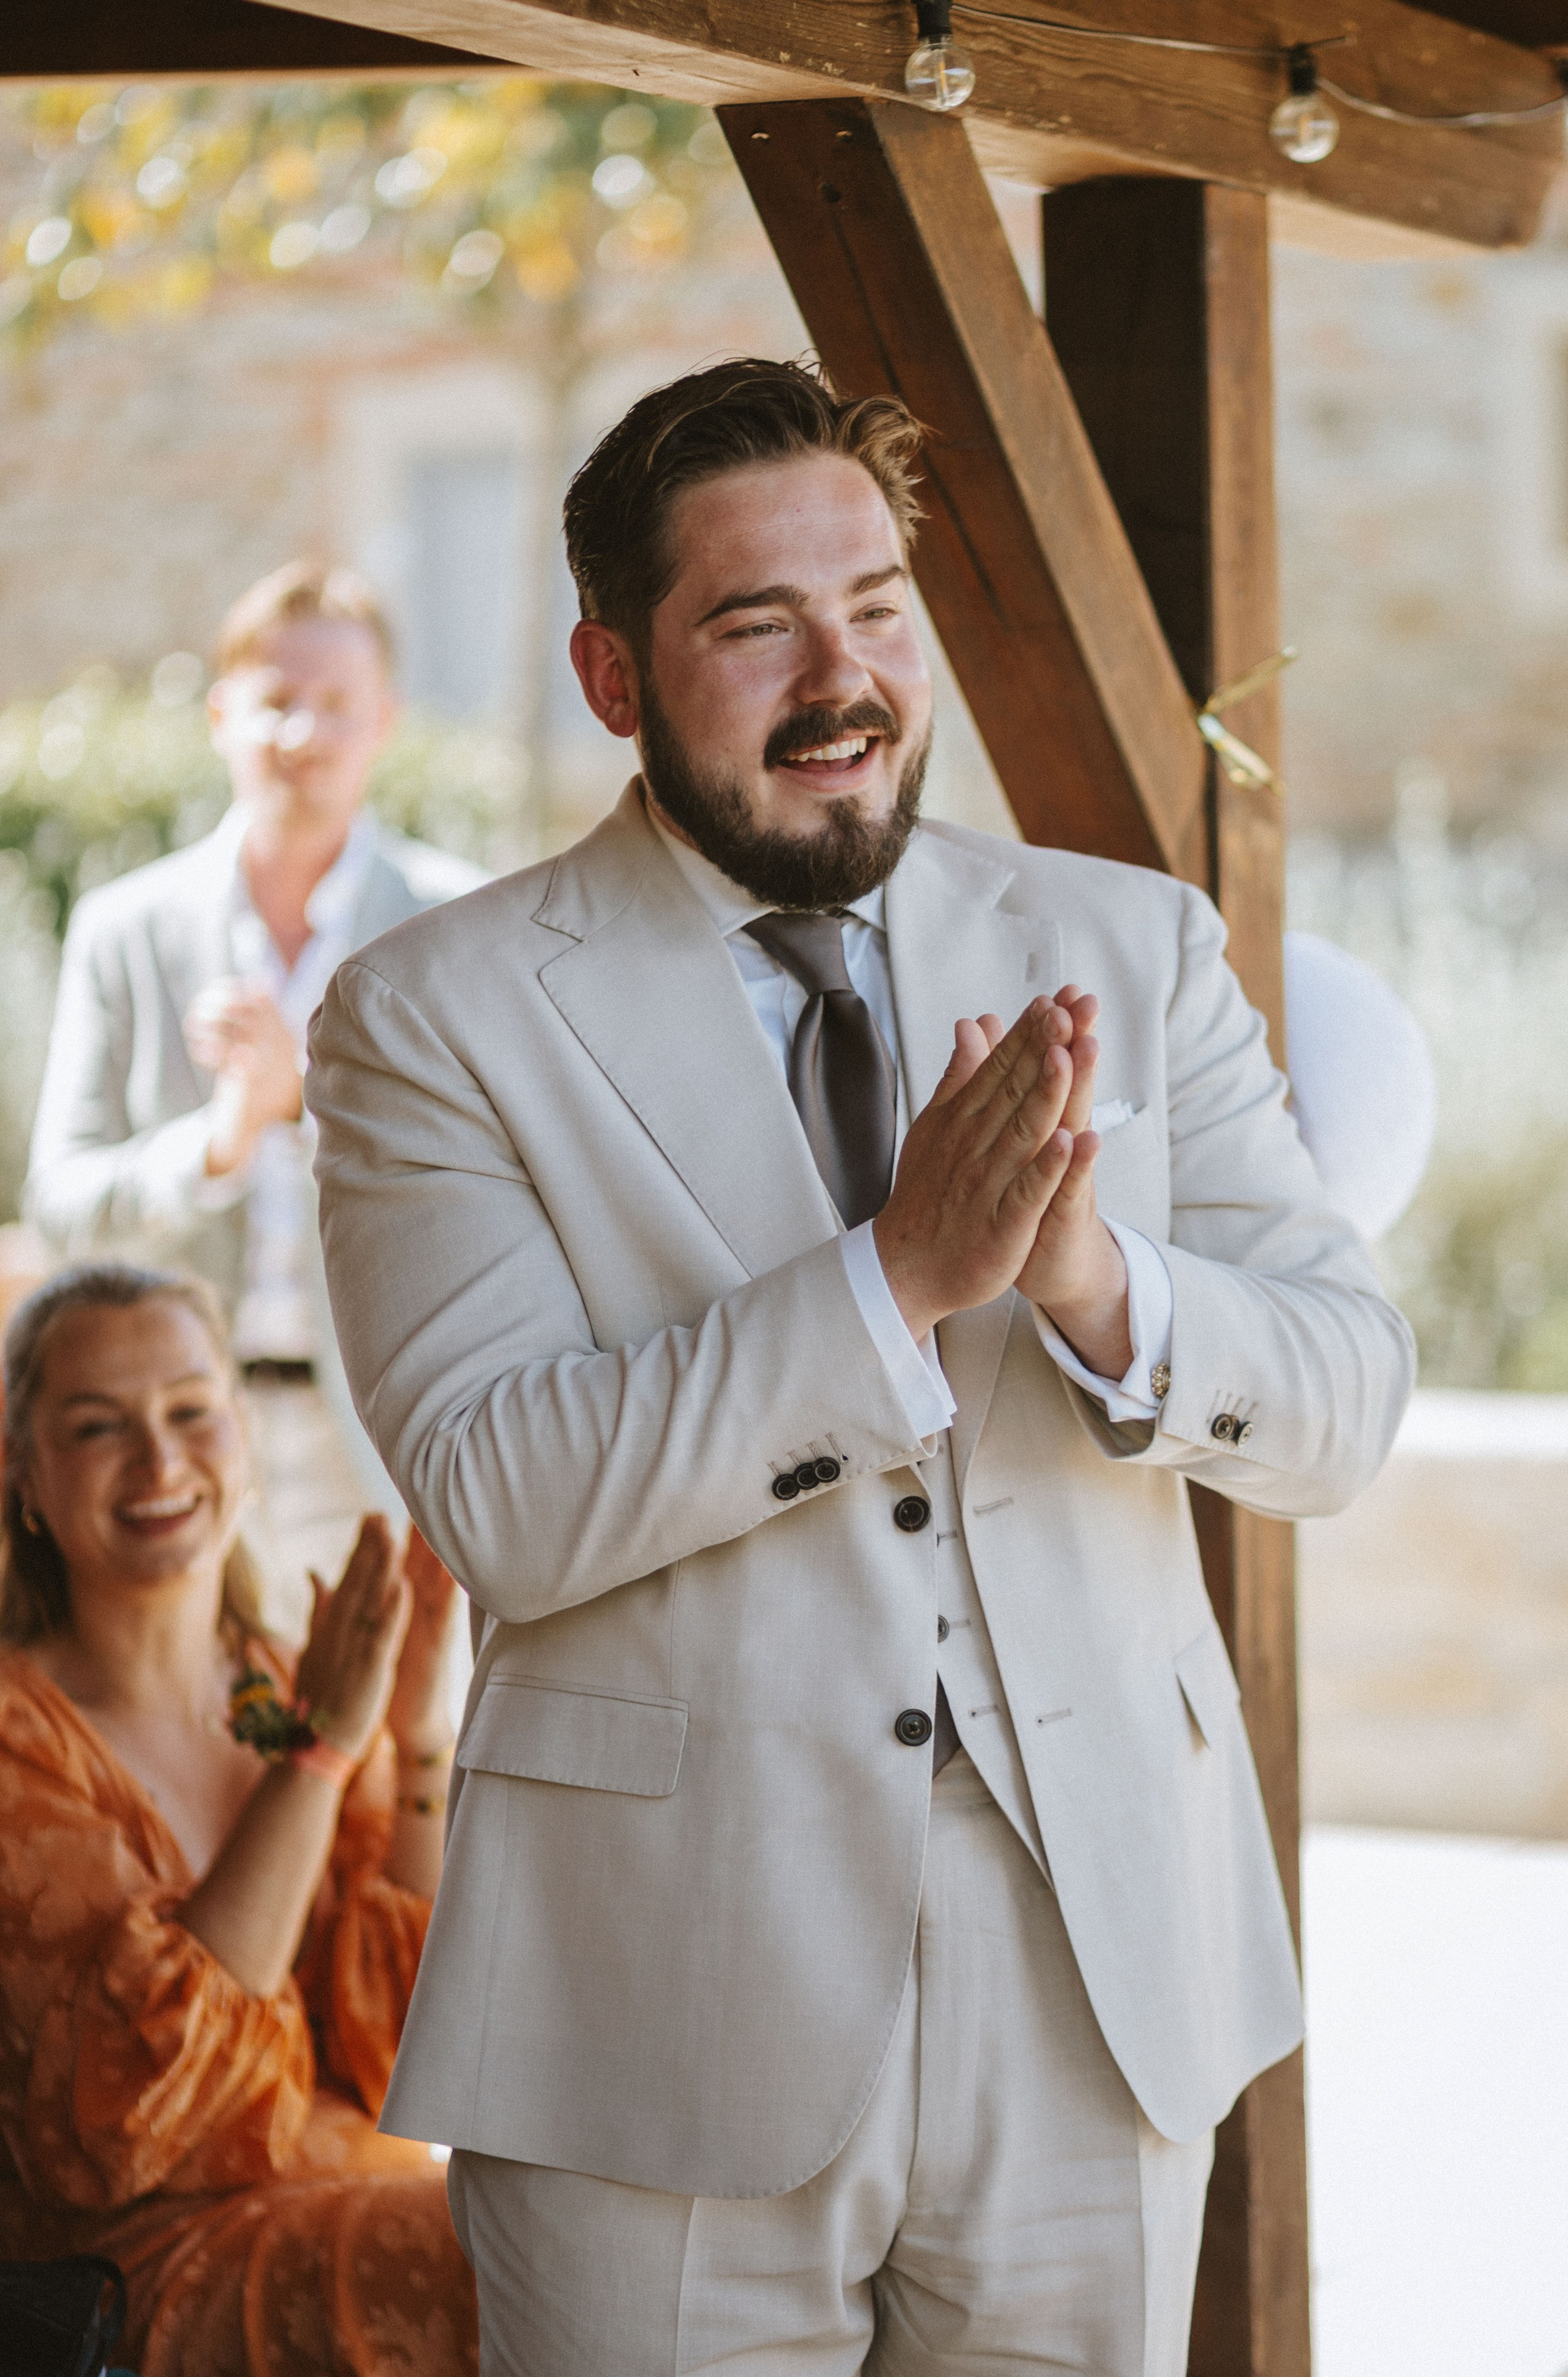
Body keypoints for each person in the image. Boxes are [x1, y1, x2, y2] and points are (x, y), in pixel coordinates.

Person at [304, 359, 1416, 2377]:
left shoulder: (1134, 947)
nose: (849, 676)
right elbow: (503, 1497)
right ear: (617, 676)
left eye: (879, 603)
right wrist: (893, 1277)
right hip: (656, 1996)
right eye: (759, 623)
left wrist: (1100, 1286)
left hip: (1097, 1983)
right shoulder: (434, 1016)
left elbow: (1344, 1396)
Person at [0, 1262, 477, 2377]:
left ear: (242, 1441)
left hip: (360, 2192)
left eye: (191, 1411)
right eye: (101, 1426)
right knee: (522, 2262)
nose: (159, 1460)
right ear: (28, 1477)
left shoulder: (290, 1679)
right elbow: (139, 2119)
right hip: (133, 2264)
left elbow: (416, 2037)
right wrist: (321, 1757)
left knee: (597, 2229)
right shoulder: (7, 1736)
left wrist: (414, 1740)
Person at [24, 561, 485, 1603]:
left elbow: (495, 1195)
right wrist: (221, 1143)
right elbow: (56, 1208)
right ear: (224, 714)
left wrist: (300, 1110)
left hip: (386, 1433)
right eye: (277, 703)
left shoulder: (456, 929)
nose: (302, 735)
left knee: (381, 1755)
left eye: (335, 706)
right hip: (169, 1443)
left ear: (384, 722)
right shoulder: (125, 929)